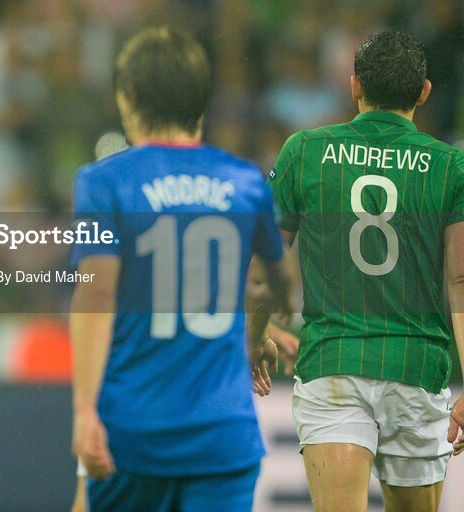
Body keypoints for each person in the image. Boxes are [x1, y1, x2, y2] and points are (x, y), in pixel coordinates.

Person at [69, 26, 297, 512]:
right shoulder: (244, 181)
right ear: (202, 101)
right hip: (224, 437)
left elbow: (95, 296)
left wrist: (85, 410)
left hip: (130, 433)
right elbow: (268, 288)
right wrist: (256, 336)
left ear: (128, 97)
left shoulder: (102, 183)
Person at [268, 30, 464, 512]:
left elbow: (263, 260)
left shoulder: (303, 151)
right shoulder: (454, 168)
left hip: (333, 364)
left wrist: (259, 328)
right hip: (416, 368)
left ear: (353, 86)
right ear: (425, 92)